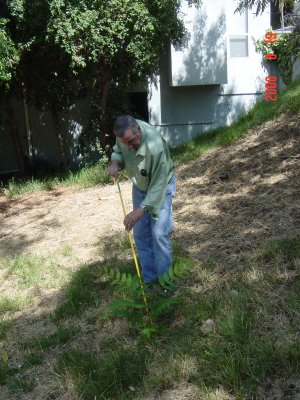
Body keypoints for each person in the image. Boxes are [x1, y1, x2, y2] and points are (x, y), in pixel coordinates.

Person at [107, 115, 176, 284]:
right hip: (140, 186)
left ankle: (166, 285)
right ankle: (150, 281)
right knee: (140, 235)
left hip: (161, 186)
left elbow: (158, 185)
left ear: (138, 129)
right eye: (126, 143)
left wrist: (141, 209)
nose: (129, 147)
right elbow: (118, 151)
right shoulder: (123, 136)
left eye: (131, 141)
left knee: (159, 235)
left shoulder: (156, 146)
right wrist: (115, 162)